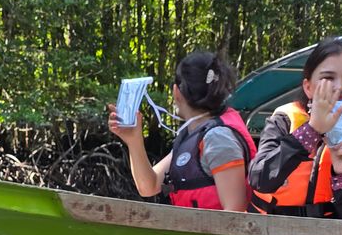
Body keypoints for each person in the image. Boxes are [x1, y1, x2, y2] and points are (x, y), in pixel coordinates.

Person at [248, 37, 342, 220]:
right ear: (308, 87)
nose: (340, 87)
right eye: (328, 78)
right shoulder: (283, 121)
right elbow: (260, 180)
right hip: (268, 232)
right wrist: (312, 130)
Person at [108, 51, 256, 211]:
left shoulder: (218, 139)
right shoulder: (192, 134)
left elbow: (235, 213)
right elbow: (148, 186)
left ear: (176, 92)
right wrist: (134, 140)